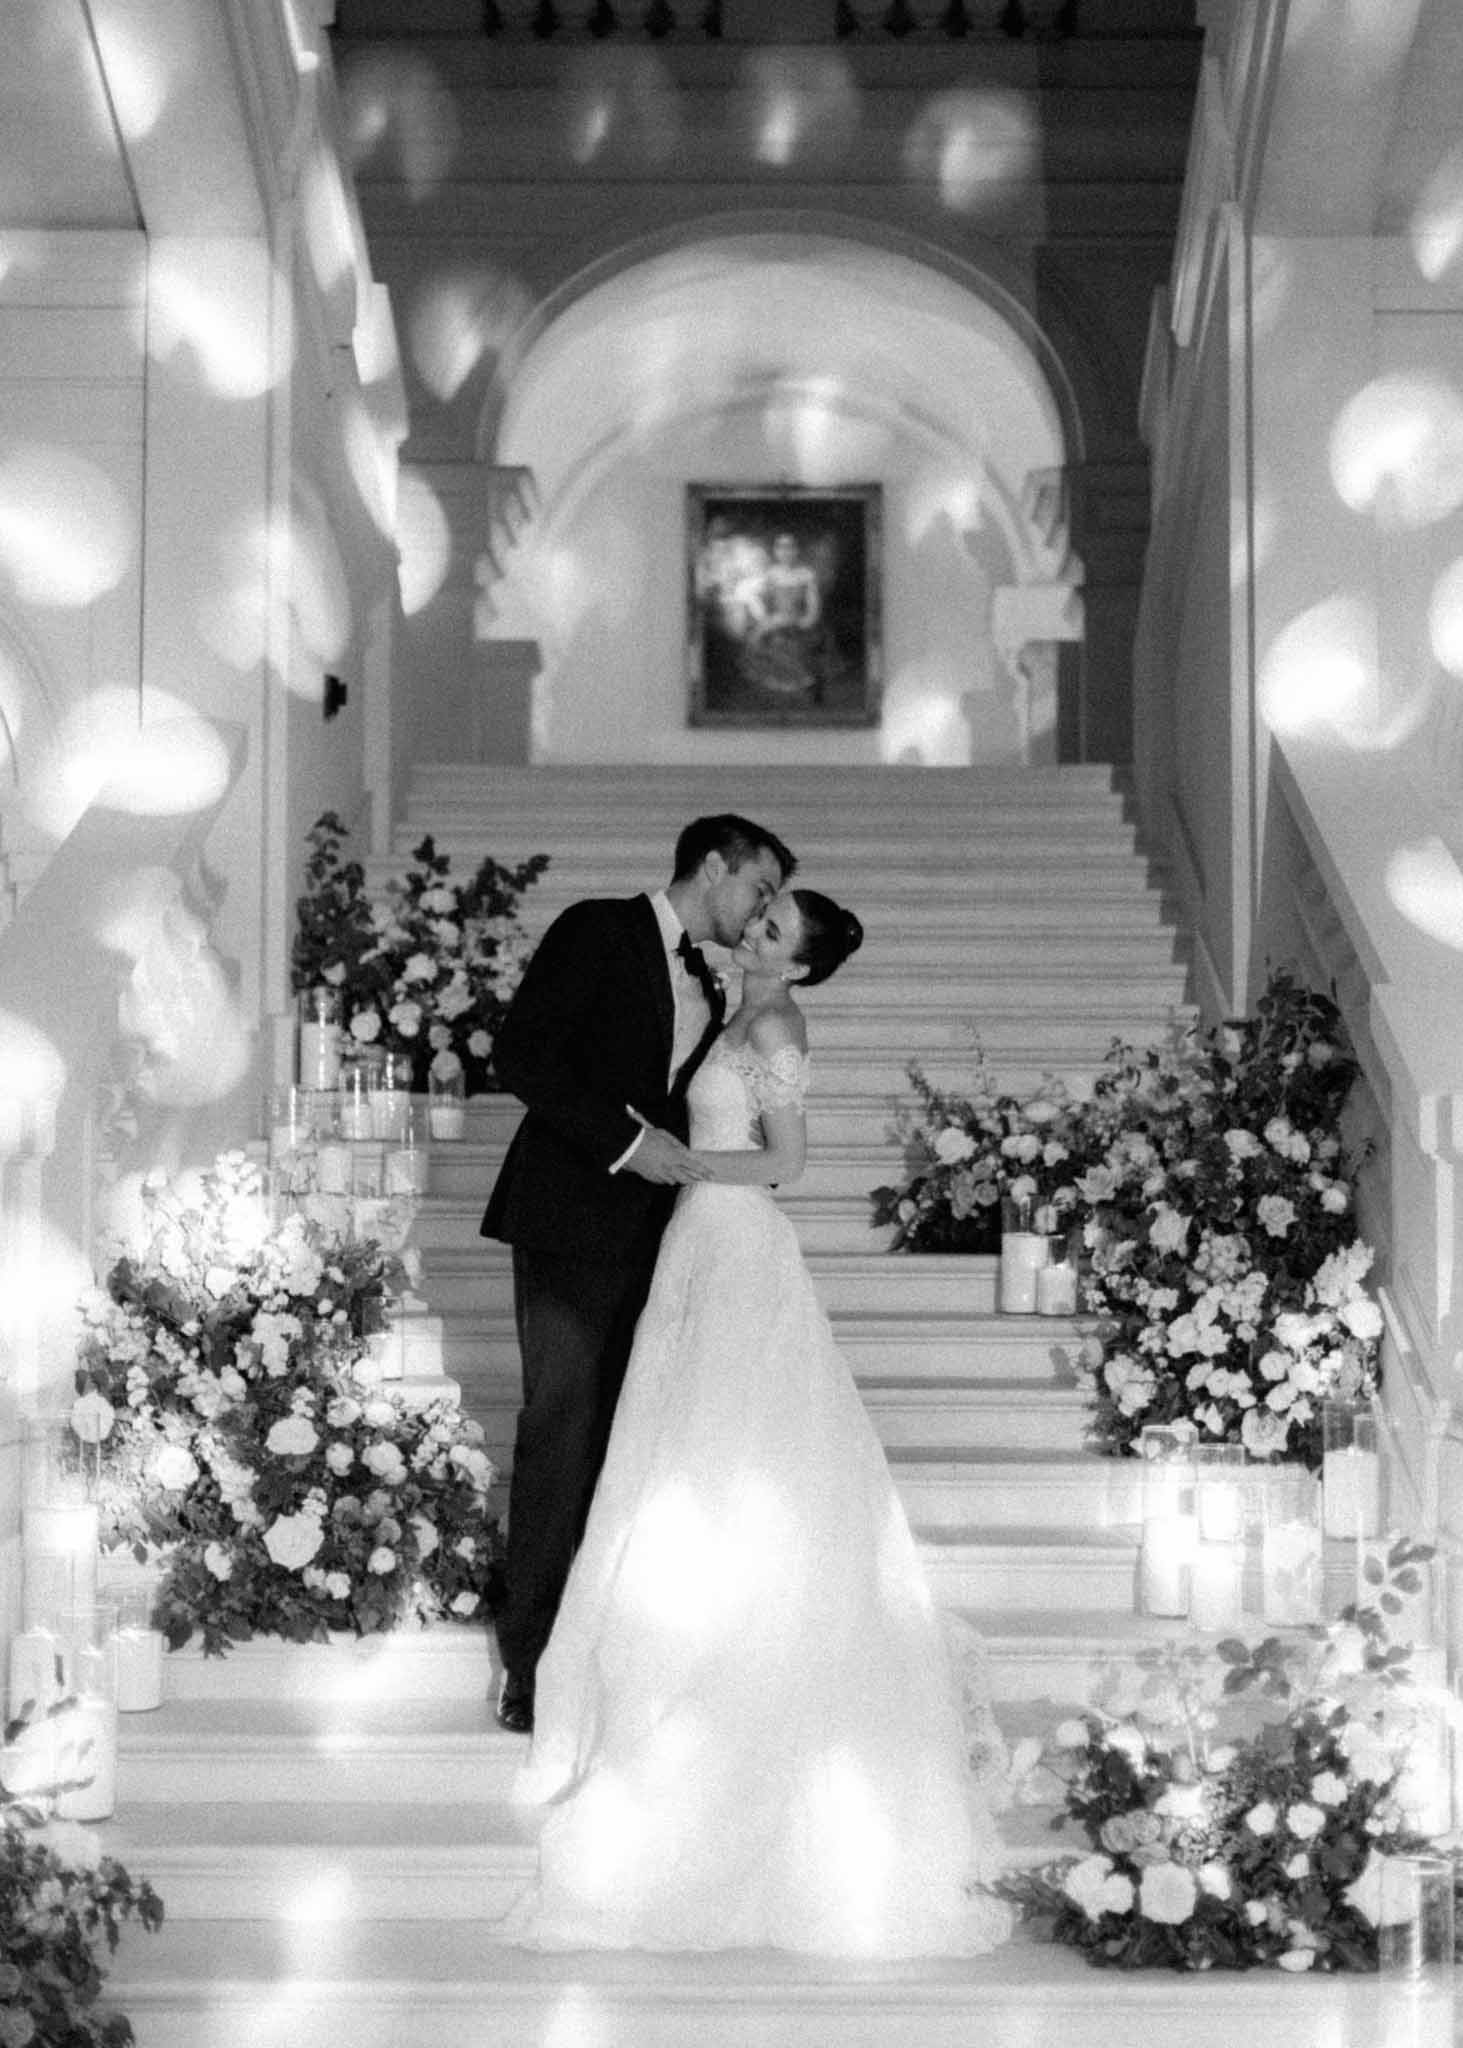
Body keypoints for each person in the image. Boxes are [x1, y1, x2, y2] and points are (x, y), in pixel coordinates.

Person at [500, 889, 1011, 1958]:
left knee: (726, 1439)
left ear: (800, 967)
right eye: (762, 913)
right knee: (675, 1437)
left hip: (733, 1237)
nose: (755, 929)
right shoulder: (731, 1014)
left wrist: (683, 1162)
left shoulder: (775, 1024)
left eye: (774, 930)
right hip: (694, 1237)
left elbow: (787, 1159)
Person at [480, 814, 797, 1735]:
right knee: (561, 1433)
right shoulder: (597, 929)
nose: (762, 909)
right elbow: (523, 1056)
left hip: (662, 1239)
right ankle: (531, 1665)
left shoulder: (716, 982)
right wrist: (627, 1145)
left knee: (632, 1447)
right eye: (759, 887)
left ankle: (608, 1646)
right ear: (711, 866)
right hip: (570, 1220)